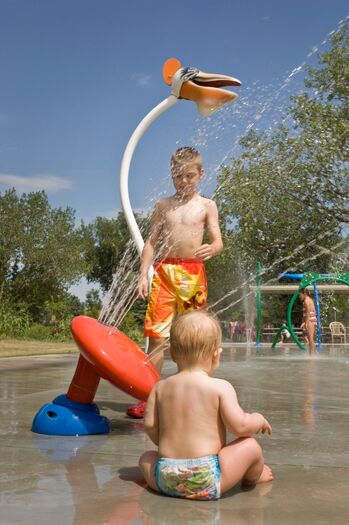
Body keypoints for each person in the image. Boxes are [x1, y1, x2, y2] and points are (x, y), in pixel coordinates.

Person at [127, 147, 223, 418]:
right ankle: (149, 397)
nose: (183, 181)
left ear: (200, 175)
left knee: (194, 337)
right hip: (164, 274)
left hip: (193, 275)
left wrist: (213, 248)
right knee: (156, 336)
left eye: (189, 176)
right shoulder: (163, 206)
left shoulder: (207, 206)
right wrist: (143, 274)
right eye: (178, 176)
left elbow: (217, 239)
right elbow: (150, 243)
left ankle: (194, 396)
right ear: (171, 175)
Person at [139, 311, 273, 500]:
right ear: (215, 354)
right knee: (250, 446)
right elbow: (240, 427)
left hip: (166, 476)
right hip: (206, 479)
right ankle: (253, 476)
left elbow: (150, 425)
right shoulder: (220, 387)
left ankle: (166, 482)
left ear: (172, 353)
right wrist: (257, 418)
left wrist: (171, 448)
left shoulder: (160, 388)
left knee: (146, 458)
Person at [299, 288, 317, 354]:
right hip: (313, 319)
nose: (299, 296)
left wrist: (306, 323)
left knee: (310, 339)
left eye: (300, 295)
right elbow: (313, 311)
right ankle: (313, 354)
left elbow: (308, 312)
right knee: (311, 339)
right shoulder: (310, 300)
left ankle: (311, 355)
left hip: (310, 320)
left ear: (304, 294)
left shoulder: (306, 301)